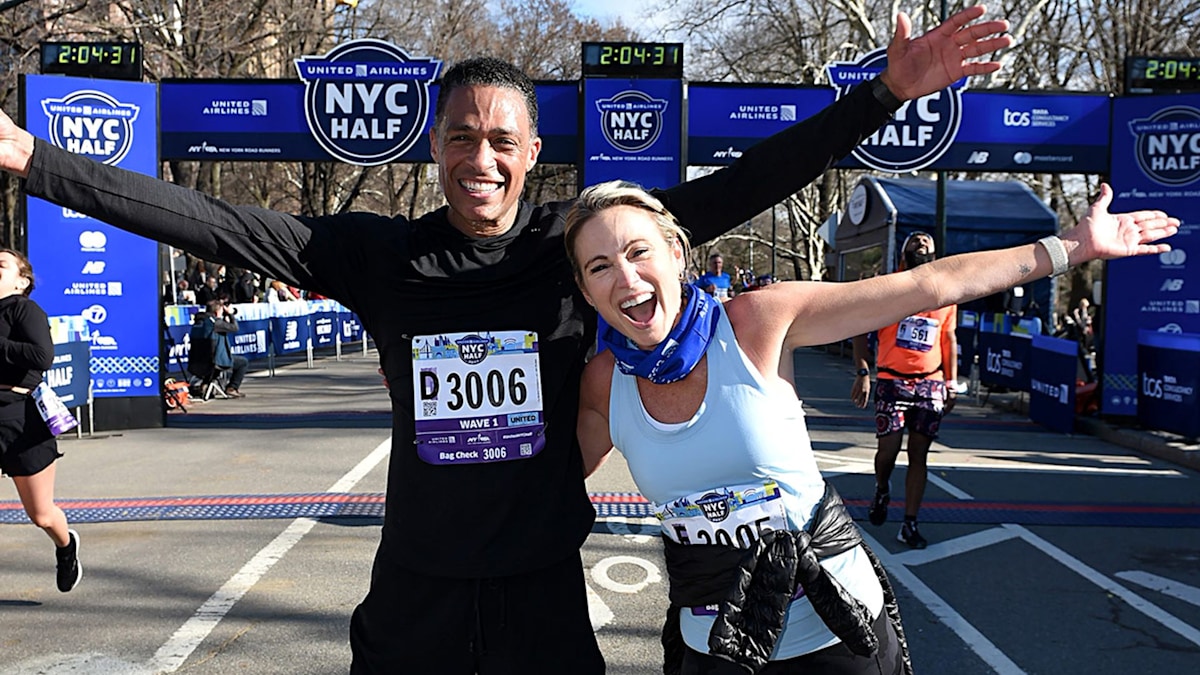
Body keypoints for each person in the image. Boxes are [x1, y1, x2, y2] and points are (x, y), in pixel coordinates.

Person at [0, 7, 1012, 671]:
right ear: (434, 149)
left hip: (539, 594)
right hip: (414, 593)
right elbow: (211, 222)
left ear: (531, 154)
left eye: (500, 142)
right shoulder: (375, 257)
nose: (478, 160)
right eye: (460, 139)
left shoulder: (573, 246)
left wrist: (882, 95)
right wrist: (36, 159)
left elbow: (742, 186)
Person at [568, 181, 1176, 674]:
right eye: (600, 266)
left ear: (676, 252)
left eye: (639, 250)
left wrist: (1070, 247)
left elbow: (926, 286)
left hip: (836, 631)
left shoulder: (756, 321)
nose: (626, 278)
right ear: (585, 291)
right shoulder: (604, 382)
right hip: (716, 648)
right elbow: (542, 483)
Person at [850, 231, 955, 549]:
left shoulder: (945, 292)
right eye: (915, 242)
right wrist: (863, 372)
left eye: (927, 243)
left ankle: (910, 523)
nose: (921, 245)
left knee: (919, 455)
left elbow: (948, 339)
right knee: (888, 451)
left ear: (934, 254)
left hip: (929, 382)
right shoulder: (888, 288)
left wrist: (951, 383)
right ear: (904, 252)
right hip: (892, 381)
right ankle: (882, 487)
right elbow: (858, 329)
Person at [0, 248, 82, 593]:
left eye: (0, 265)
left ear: (22, 280)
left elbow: (42, 356)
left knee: (42, 515)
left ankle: (66, 548)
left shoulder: (23, 309)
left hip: (18, 418)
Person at [188, 299, 249, 398]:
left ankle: (205, 384)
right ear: (217, 312)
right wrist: (230, 314)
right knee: (242, 362)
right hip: (214, 362)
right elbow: (234, 328)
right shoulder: (215, 324)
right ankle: (232, 388)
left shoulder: (198, 323)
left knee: (211, 357)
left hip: (196, 362)